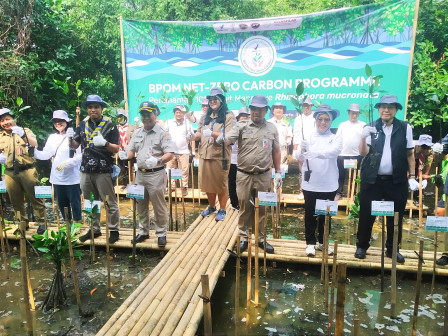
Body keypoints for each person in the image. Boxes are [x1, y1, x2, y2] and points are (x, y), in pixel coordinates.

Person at [354, 94, 416, 263]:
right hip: (372, 179)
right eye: (383, 106)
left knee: (395, 215)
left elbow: (410, 154)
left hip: (396, 180)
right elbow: (363, 153)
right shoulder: (371, 126)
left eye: (390, 107)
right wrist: (362, 136)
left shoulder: (404, 127)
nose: (386, 110)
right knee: (366, 213)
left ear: (396, 109)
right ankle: (362, 246)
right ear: (379, 109)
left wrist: (412, 176)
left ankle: (392, 248)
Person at [225, 95, 281, 254]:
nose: (256, 112)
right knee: (244, 207)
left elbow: (276, 150)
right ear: (250, 110)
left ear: (265, 110)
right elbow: (228, 140)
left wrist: (278, 172)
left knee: (262, 208)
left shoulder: (272, 128)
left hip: (264, 175)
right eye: (253, 109)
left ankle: (261, 239)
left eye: (259, 109)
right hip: (244, 175)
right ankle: (243, 238)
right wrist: (217, 136)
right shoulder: (241, 126)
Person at [119, 101, 175, 246]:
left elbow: (170, 153)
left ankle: (161, 233)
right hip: (140, 175)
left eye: (148, 114)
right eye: (143, 114)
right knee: (140, 204)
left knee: (159, 205)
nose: (146, 117)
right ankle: (143, 231)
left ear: (155, 114)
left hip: (156, 174)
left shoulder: (163, 133)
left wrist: (158, 160)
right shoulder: (137, 132)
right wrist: (126, 155)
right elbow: (132, 150)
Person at [68, 94, 121, 244]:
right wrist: (69, 138)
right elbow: (75, 145)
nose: (93, 110)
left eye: (96, 107)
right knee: (91, 202)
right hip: (85, 170)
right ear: (87, 109)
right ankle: (94, 229)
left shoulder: (110, 126)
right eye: (90, 107)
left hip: (103, 171)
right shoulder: (82, 125)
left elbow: (116, 148)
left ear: (101, 108)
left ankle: (113, 229)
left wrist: (105, 144)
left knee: (109, 201)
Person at [294, 104, 342, 257]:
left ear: (331, 121)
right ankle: (310, 243)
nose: (323, 122)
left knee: (325, 215)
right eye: (320, 119)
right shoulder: (308, 137)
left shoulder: (336, 138)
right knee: (310, 214)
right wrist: (301, 150)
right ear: (315, 120)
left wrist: (312, 152)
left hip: (329, 184)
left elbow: (332, 152)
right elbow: (298, 157)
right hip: (311, 184)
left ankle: (323, 242)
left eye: (326, 119)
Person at [0, 108, 47, 233]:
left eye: (7, 119)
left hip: (27, 170)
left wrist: (23, 135)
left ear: (13, 119)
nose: (5, 122)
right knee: (16, 200)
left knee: (35, 196)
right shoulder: (1, 136)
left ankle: (42, 222)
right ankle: (22, 223)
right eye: (2, 121)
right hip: (10, 172)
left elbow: (35, 144)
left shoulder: (25, 131)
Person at [195, 87, 236, 221]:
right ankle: (212, 206)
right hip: (205, 154)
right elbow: (199, 133)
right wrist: (192, 136)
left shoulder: (229, 116)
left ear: (221, 100)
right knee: (207, 184)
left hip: (220, 156)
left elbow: (230, 136)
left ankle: (223, 209)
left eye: (215, 99)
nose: (212, 102)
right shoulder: (205, 116)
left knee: (221, 183)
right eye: (211, 100)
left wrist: (212, 133)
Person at [34, 110, 82, 222]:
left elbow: (81, 156)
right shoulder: (52, 137)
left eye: (60, 121)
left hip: (72, 178)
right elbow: (46, 154)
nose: (58, 123)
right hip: (57, 178)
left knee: (75, 203)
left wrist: (67, 163)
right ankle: (67, 225)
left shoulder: (75, 135)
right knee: (62, 204)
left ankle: (78, 225)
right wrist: (34, 151)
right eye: (55, 121)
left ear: (66, 121)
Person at [334, 103, 365, 201]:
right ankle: (339, 193)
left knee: (355, 176)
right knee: (340, 175)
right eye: (352, 113)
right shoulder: (343, 125)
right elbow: (337, 139)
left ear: (358, 114)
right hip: (342, 154)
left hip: (356, 155)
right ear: (349, 113)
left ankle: (353, 194)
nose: (354, 115)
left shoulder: (363, 125)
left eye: (356, 113)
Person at [165, 104, 194, 196]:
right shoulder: (168, 122)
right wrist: (167, 143)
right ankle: (171, 187)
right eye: (177, 112)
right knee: (170, 169)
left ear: (183, 114)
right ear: (174, 113)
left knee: (184, 170)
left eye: (180, 112)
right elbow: (164, 135)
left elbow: (193, 137)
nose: (178, 114)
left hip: (184, 151)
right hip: (171, 152)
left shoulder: (187, 124)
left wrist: (190, 136)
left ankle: (184, 187)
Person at [293, 96, 315, 200]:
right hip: (301, 146)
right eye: (304, 106)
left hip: (312, 147)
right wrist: (295, 149)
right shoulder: (298, 118)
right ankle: (302, 190)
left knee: (313, 169)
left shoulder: (315, 117)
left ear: (311, 106)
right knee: (302, 170)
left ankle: (312, 189)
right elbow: (296, 134)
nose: (306, 108)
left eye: (308, 106)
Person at [228, 107, 250, 211]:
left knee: (245, 183)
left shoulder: (251, 130)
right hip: (233, 160)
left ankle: (245, 202)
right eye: (242, 117)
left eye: (246, 117)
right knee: (232, 182)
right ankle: (234, 203)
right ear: (238, 118)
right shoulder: (234, 128)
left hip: (246, 160)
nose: (244, 119)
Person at [117, 108, 136, 184]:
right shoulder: (115, 128)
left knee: (131, 169)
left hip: (130, 153)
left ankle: (132, 183)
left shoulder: (132, 127)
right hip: (120, 153)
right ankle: (124, 184)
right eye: (118, 117)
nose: (120, 119)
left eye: (121, 117)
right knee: (122, 169)